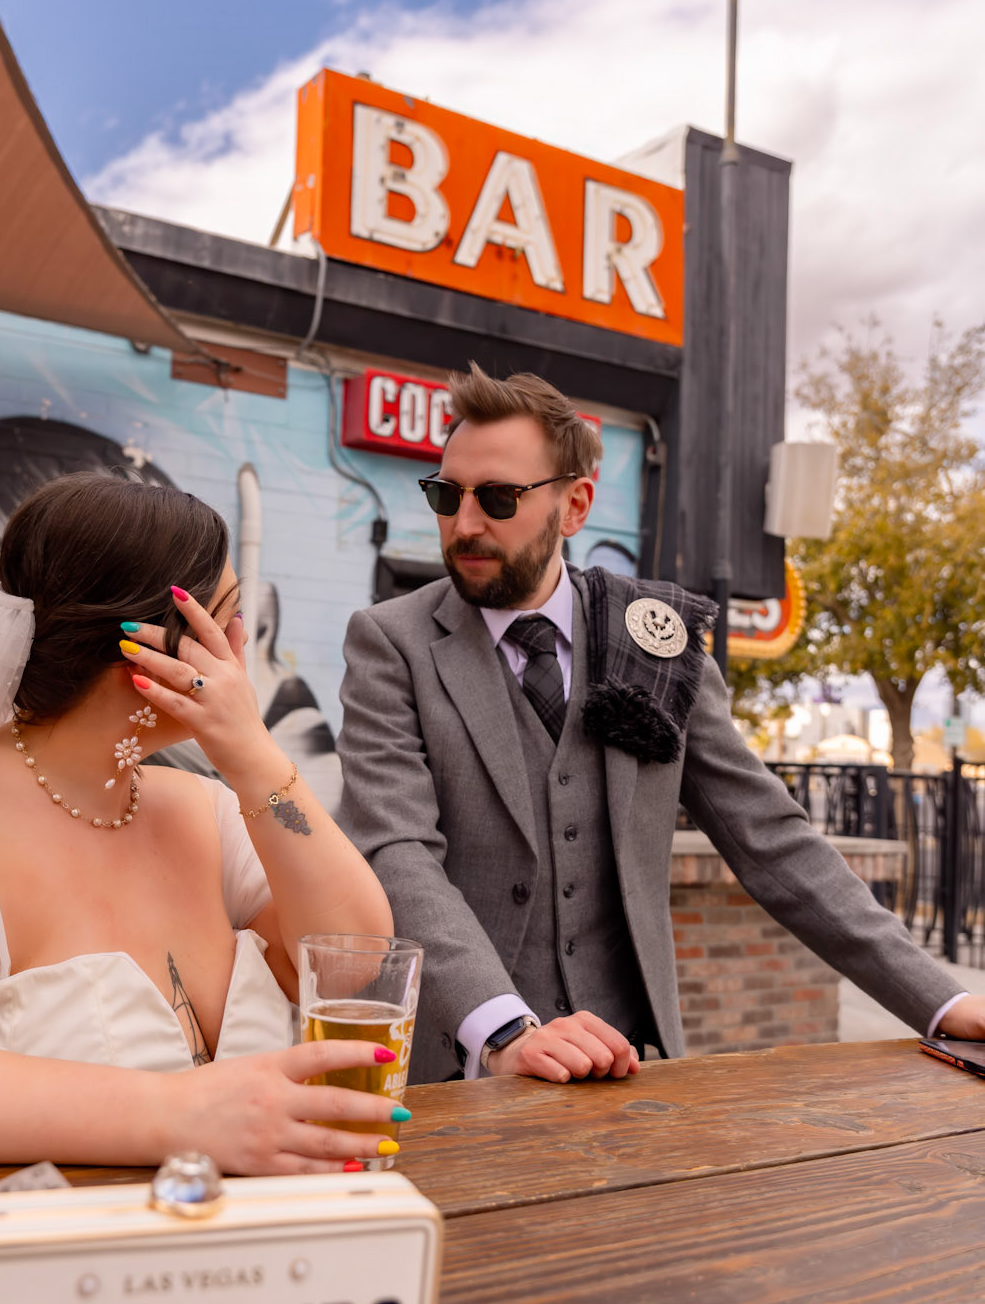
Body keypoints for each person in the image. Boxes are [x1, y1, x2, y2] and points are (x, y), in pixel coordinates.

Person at [337, 363, 985, 1087]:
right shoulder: (390, 642)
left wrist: (942, 1000)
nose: (463, 524)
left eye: (496, 498)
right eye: (445, 494)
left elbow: (769, 837)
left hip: (632, 1074)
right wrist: (504, 1030)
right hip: (457, 1073)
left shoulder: (653, 638)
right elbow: (396, 851)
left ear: (574, 506)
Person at [0, 475, 399, 1171]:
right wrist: (181, 1114)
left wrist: (255, 758)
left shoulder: (208, 811)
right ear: (148, 646)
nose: (241, 644)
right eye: (224, 621)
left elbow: (354, 958)